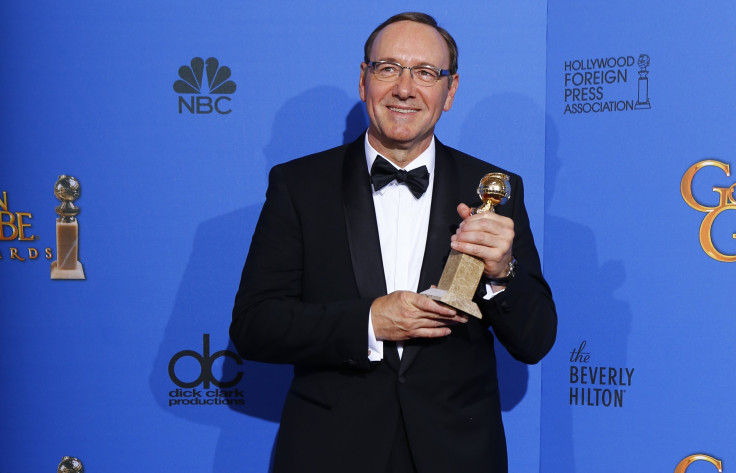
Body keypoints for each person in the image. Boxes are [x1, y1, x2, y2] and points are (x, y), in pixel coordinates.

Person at [230, 12, 557, 473]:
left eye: (425, 72)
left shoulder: (494, 189)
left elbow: (536, 340)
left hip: (458, 456)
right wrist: (368, 321)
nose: (405, 88)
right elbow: (253, 326)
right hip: (331, 455)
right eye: (388, 68)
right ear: (363, 80)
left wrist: (502, 274)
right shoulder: (300, 185)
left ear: (451, 90)